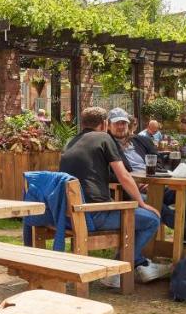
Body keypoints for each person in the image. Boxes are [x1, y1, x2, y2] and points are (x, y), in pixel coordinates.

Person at [60, 107, 160, 286]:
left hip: (71, 214)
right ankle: (117, 270)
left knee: (133, 210)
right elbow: (124, 176)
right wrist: (141, 204)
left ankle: (131, 263)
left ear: (83, 123)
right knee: (152, 219)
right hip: (94, 215)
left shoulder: (70, 141)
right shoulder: (104, 138)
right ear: (105, 124)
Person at [108, 108, 186, 249]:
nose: (120, 126)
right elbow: (108, 172)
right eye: (116, 123)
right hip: (131, 191)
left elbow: (158, 162)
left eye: (123, 123)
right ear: (109, 125)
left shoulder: (141, 141)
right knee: (155, 202)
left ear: (128, 124)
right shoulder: (107, 144)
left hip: (155, 184)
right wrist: (133, 182)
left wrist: (153, 180)